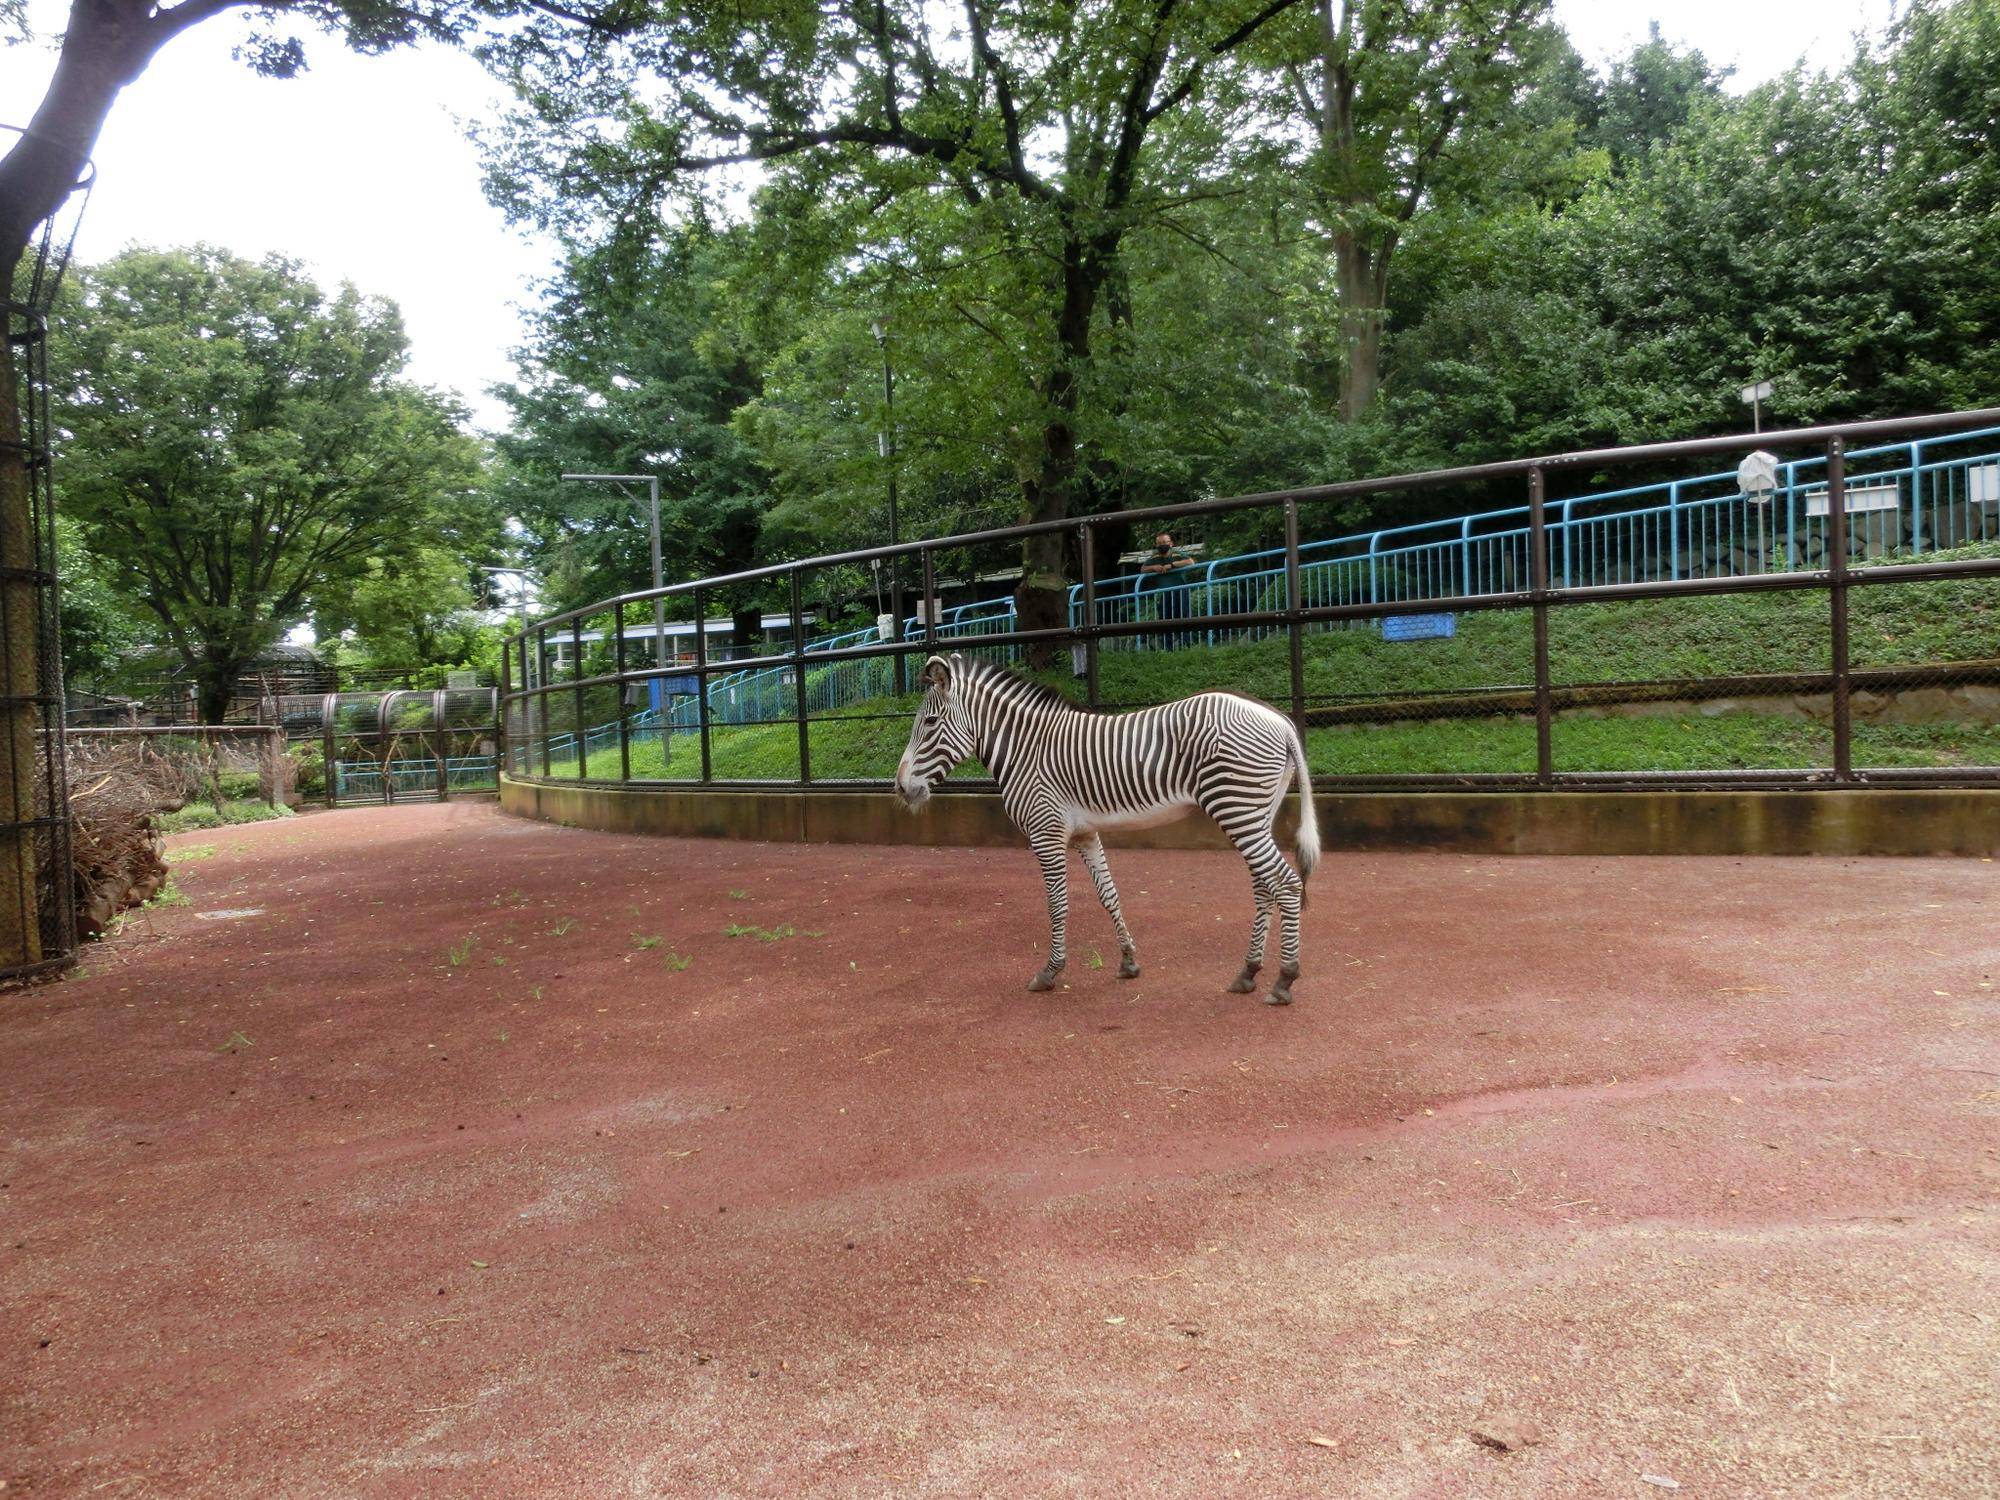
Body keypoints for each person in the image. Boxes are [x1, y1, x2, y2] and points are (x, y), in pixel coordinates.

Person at [1139, 532, 1197, 649]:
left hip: (1180, 589)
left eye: (1164, 542)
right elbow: (1143, 569)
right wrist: (1154, 567)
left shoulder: (1176, 554)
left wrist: (1172, 565)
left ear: (1171, 543)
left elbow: (1191, 562)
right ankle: (1168, 647)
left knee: (1183, 617)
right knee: (1165, 618)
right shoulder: (1155, 557)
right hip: (1165, 592)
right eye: (1159, 543)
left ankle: (1185, 645)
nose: (1162, 545)